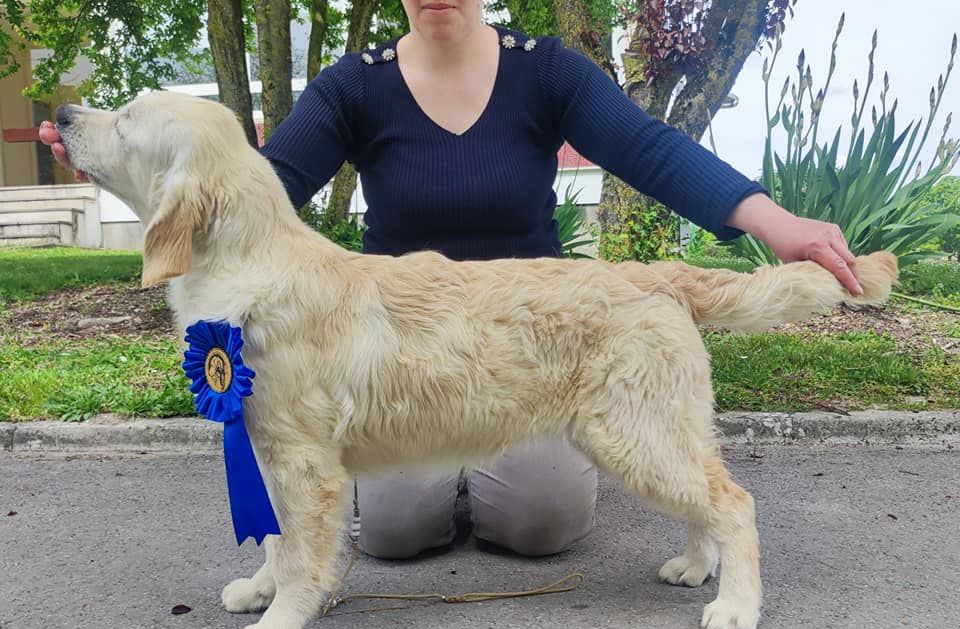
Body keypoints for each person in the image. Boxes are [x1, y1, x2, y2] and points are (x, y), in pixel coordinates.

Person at [40, 1, 862, 561]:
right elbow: (251, 185)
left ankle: (502, 470)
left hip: (530, 342)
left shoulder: (547, 70)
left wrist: (773, 224)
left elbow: (650, 150)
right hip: (401, 350)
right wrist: (111, 164)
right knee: (395, 537)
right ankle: (443, 476)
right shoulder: (353, 82)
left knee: (540, 525)